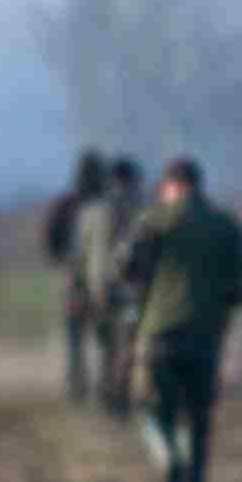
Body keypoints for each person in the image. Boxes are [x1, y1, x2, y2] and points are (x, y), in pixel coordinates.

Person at [120, 157, 242, 482]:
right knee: (198, 416)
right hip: (206, 336)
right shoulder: (225, 224)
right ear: (199, 185)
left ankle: (169, 462)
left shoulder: (152, 221)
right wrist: (225, 302)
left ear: (169, 186)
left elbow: (124, 267)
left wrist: (140, 291)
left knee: (154, 409)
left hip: (159, 333)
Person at [63, 149, 115, 406]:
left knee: (79, 342)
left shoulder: (70, 205)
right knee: (107, 342)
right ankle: (104, 389)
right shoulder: (113, 206)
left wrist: (72, 283)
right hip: (105, 286)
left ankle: (79, 388)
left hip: (82, 284)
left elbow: (71, 251)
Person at [103, 156, 145, 419]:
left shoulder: (103, 207)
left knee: (112, 345)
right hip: (128, 286)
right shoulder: (136, 207)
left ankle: (112, 394)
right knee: (127, 345)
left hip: (107, 286)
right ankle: (119, 398)